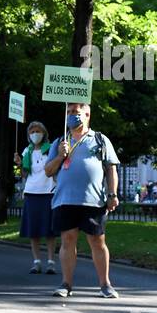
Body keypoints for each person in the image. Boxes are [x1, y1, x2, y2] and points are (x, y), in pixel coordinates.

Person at [44, 102, 120, 298]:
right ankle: (66, 284)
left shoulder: (100, 140)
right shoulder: (59, 141)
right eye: (69, 112)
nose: (72, 115)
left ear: (87, 115)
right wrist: (61, 156)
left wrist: (112, 194)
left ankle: (105, 284)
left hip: (93, 201)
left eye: (76, 112)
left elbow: (111, 169)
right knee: (68, 240)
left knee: (97, 241)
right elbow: (48, 171)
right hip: (65, 200)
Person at [19, 121, 58, 273]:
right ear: (29, 135)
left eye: (38, 131)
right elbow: (24, 174)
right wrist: (19, 164)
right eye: (32, 131)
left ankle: (50, 262)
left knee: (49, 230)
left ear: (44, 133)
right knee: (33, 230)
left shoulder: (51, 149)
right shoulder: (26, 151)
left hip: (48, 192)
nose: (35, 134)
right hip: (31, 192)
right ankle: (36, 262)